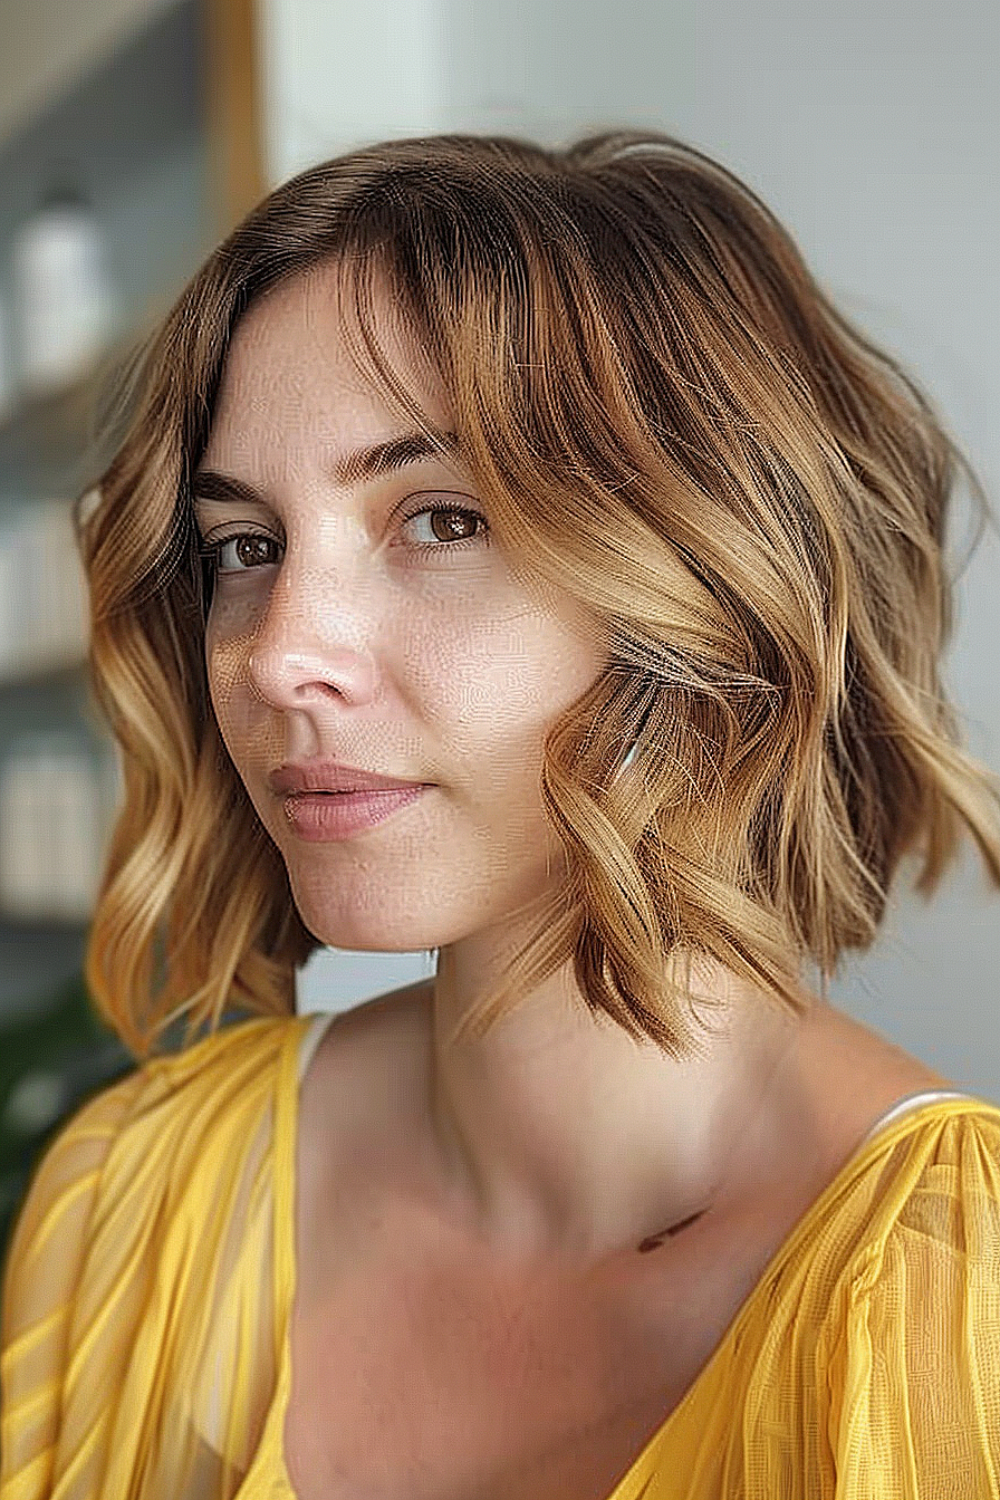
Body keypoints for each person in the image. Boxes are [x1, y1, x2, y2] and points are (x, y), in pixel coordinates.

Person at [1, 128, 998, 1500]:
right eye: (246, 547)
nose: (279, 654)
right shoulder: (133, 1198)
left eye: (442, 520)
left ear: (717, 574)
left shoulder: (952, 1308)